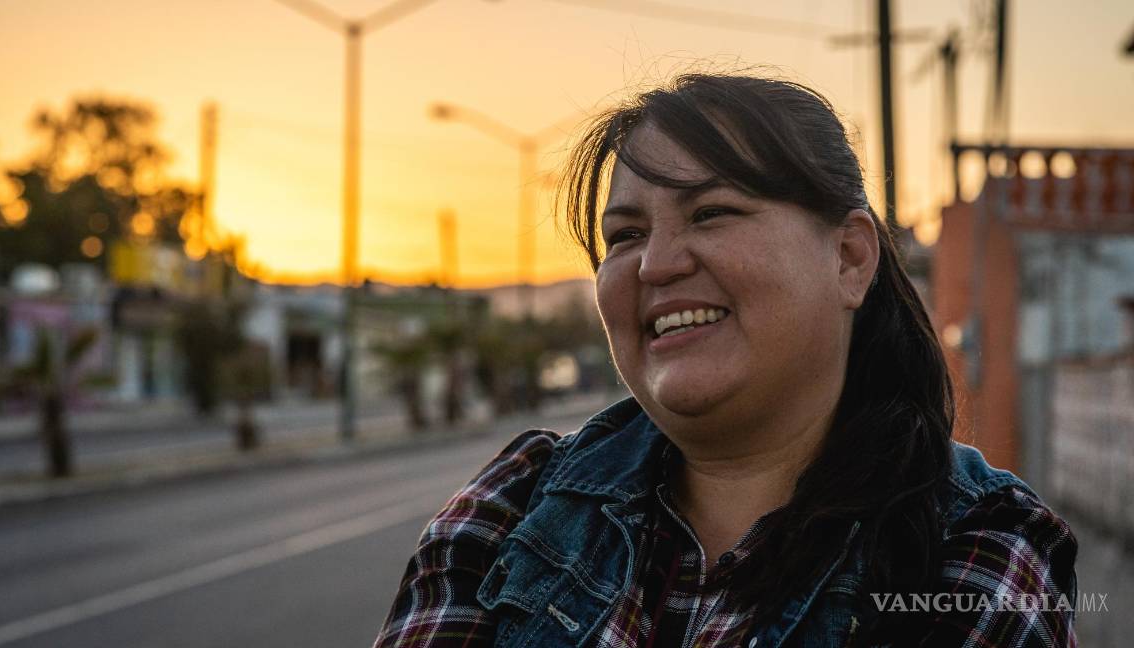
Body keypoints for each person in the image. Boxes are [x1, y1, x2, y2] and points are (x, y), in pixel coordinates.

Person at [373, 73, 1078, 647]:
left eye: (711, 213)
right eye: (624, 235)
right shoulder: (510, 506)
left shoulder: (977, 542)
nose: (655, 264)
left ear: (850, 256)